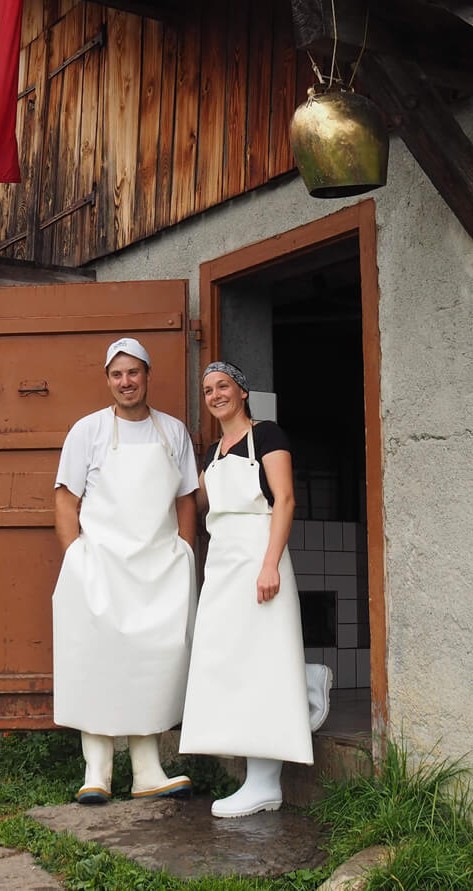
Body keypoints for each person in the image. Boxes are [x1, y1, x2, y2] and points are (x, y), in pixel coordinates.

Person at [52, 337, 198, 804]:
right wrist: (76, 556)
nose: (126, 382)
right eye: (117, 374)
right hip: (100, 564)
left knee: (151, 663)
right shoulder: (87, 431)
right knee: (97, 661)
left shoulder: (173, 432)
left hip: (157, 568)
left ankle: (147, 772)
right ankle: (97, 771)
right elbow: (65, 499)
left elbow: (186, 498)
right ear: (107, 380)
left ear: (147, 375)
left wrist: (186, 553)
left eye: (133, 372)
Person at [179, 360, 315, 817]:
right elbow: (196, 505)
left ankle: (264, 783)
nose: (215, 394)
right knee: (231, 663)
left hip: (260, 558)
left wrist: (270, 564)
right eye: (207, 389)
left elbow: (285, 499)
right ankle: (257, 776)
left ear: (241, 392)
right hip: (223, 566)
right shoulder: (213, 454)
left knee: (264, 664)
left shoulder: (269, 435)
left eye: (223, 386)